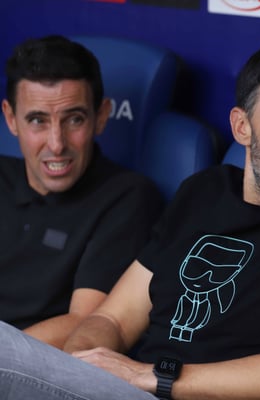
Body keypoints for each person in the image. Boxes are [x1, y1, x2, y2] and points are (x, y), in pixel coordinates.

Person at [0, 37, 260, 399]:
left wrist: (151, 377)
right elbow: (113, 319)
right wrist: (78, 369)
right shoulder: (204, 191)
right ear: (242, 127)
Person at [0, 35, 163, 349]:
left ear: (101, 116)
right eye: (37, 120)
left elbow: (86, 321)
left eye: (74, 119)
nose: (57, 144)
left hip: (31, 365)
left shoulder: (126, 196)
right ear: (11, 118)